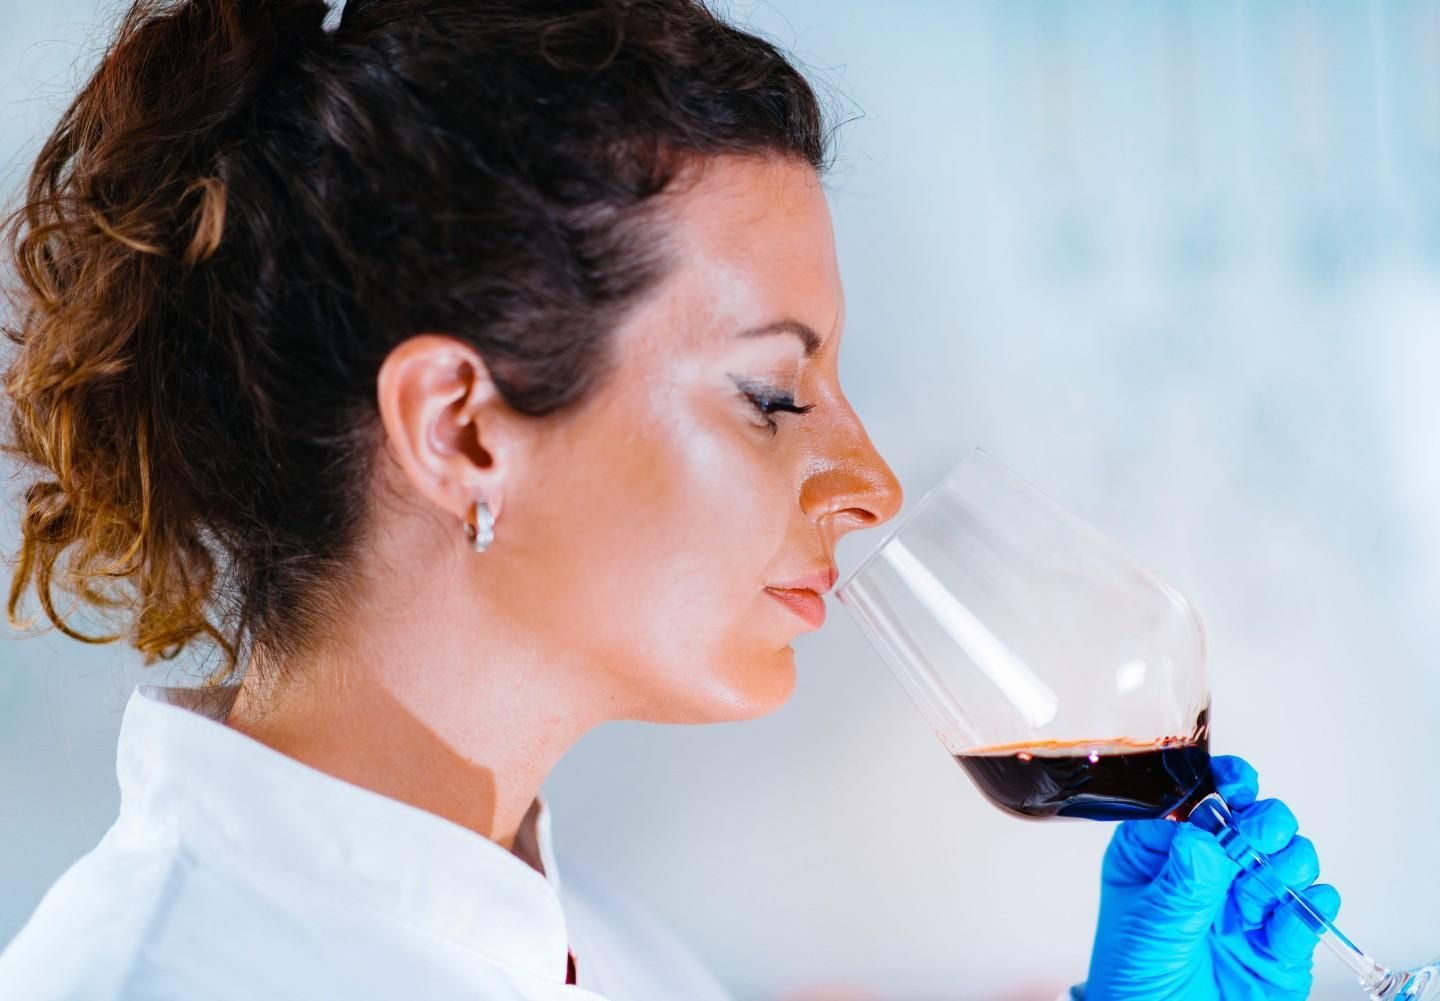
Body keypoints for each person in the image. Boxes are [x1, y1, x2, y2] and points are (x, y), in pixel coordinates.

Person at [0, 1, 1341, 998]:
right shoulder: (158, 974)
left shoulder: (621, 960)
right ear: (461, 430)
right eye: (773, 392)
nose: (869, 485)